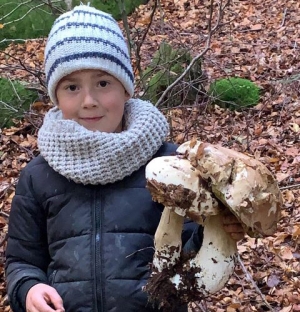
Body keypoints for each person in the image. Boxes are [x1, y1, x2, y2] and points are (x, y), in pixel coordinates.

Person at [5, 4, 244, 312]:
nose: (88, 101)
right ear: (55, 96)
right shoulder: (38, 177)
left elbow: (186, 253)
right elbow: (22, 261)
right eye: (72, 87)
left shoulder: (169, 165)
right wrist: (29, 288)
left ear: (126, 88)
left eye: (103, 83)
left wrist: (215, 231)